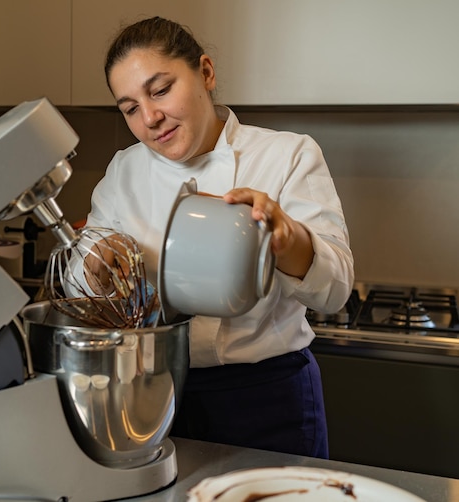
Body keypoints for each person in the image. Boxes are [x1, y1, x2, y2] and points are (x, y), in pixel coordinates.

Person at [82, 16, 354, 459]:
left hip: (267, 395)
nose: (150, 118)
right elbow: (83, 278)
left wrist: (288, 240)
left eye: (161, 89)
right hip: (152, 395)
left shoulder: (287, 155)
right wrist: (96, 260)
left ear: (205, 73)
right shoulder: (123, 172)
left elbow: (337, 289)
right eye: (130, 108)